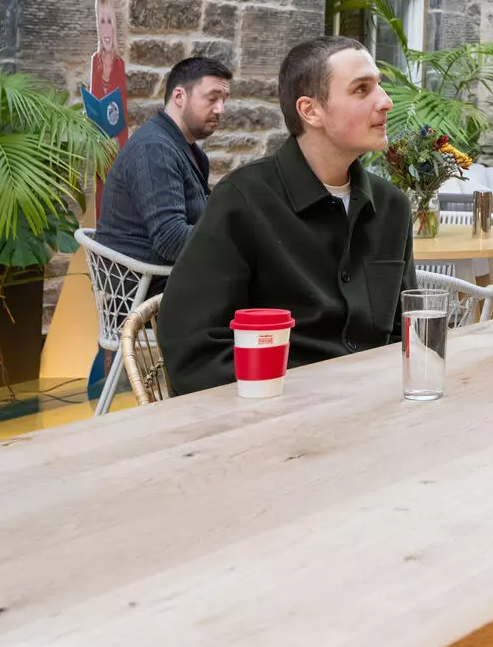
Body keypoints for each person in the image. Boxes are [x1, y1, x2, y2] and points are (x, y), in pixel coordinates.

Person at [160, 36, 417, 395]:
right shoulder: (242, 201)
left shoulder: (392, 207)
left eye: (380, 87)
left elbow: (403, 335)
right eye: (362, 89)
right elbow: (192, 348)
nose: (386, 102)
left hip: (376, 416)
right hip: (273, 424)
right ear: (311, 111)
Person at [86, 55, 229, 398]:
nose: (221, 108)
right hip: (145, 287)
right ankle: (217, 393)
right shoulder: (156, 149)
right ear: (179, 96)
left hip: (165, 278)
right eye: (212, 98)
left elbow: (199, 225)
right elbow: (170, 241)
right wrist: (233, 238)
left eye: (225, 99)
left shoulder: (189, 152)